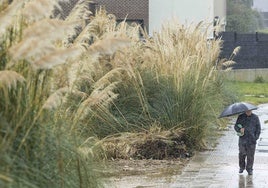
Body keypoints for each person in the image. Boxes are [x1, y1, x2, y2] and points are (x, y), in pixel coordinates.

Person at [234, 110, 261, 175]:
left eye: (249, 111)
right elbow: (236, 126)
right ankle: (241, 167)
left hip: (252, 140)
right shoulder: (241, 117)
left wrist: (256, 137)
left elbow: (258, 128)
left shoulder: (255, 117)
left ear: (251, 110)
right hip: (242, 139)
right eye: (247, 111)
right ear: (245, 111)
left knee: (250, 155)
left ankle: (249, 169)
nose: (248, 112)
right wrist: (239, 129)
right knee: (242, 153)